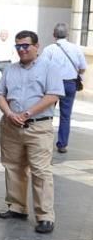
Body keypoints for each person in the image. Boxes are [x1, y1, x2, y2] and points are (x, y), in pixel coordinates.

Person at [0, 30, 63, 234]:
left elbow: (53, 96)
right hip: (11, 126)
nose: (22, 50)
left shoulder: (50, 68)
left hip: (38, 127)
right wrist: (9, 113)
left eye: (26, 46)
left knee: (41, 171)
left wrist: (27, 113)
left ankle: (45, 216)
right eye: (18, 46)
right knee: (13, 166)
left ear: (36, 46)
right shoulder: (10, 69)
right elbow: (0, 94)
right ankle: (17, 207)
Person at [41, 22, 87, 154]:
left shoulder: (49, 49)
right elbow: (83, 68)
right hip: (70, 84)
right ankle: (62, 144)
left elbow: (42, 67)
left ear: (54, 35)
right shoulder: (76, 48)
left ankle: (45, 142)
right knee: (66, 116)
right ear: (68, 34)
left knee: (47, 114)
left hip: (53, 85)